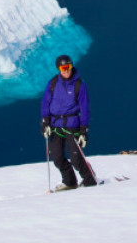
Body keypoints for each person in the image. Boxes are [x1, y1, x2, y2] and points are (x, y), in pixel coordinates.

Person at [40, 54, 96, 190]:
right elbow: (45, 103)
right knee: (57, 157)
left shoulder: (79, 85)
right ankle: (70, 181)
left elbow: (84, 108)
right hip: (55, 125)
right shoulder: (53, 83)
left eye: (68, 67)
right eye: (63, 68)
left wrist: (84, 130)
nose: (66, 71)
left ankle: (90, 181)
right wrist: (45, 122)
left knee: (76, 159)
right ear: (59, 69)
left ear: (71, 66)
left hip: (72, 125)